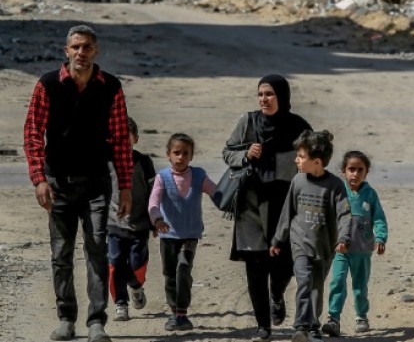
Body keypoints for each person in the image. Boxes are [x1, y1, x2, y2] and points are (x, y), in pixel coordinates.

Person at [23, 24, 133, 342]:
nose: (81, 53)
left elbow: (120, 143)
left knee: (97, 250)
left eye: (87, 47)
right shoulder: (48, 85)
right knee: (61, 254)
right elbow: (32, 134)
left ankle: (96, 321)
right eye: (75, 47)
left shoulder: (110, 87)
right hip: (58, 183)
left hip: (97, 184)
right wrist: (39, 180)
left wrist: (125, 186)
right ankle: (66, 318)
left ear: (96, 51)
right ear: (66, 51)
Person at [223, 74, 312, 342]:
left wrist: (303, 163)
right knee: (255, 265)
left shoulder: (297, 126)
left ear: (282, 97)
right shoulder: (247, 122)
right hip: (251, 204)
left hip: (286, 205)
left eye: (270, 94)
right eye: (261, 94)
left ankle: (277, 294)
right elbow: (228, 152)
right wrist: (245, 154)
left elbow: (316, 154)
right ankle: (263, 325)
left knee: (284, 262)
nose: (264, 99)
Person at [270, 130, 352, 342]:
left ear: (317, 161)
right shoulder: (297, 181)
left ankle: (313, 327)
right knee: (304, 282)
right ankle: (300, 327)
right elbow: (287, 212)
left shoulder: (335, 186)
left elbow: (344, 214)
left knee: (316, 288)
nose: (296, 160)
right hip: (300, 244)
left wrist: (344, 239)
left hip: (324, 248)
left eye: (301, 157)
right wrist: (278, 239)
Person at [148, 133, 217, 332]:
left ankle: (182, 313)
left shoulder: (198, 176)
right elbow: (153, 201)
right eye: (176, 153)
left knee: (183, 269)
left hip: (190, 235)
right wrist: (157, 219)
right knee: (170, 274)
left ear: (191, 156)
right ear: (168, 154)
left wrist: (231, 200)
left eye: (185, 153)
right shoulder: (162, 177)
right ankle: (174, 311)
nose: (181, 157)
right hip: (168, 235)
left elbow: (216, 192)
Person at [322, 151, 387, 337]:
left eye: (360, 170)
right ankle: (333, 318)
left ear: (366, 173)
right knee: (337, 281)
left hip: (363, 250)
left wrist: (381, 238)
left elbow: (380, 218)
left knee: (360, 286)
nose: (355, 174)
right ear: (343, 171)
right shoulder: (338, 191)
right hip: (340, 249)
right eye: (351, 169)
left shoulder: (370, 194)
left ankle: (361, 316)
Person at [107, 117, 156, 322]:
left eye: (126, 139)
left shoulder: (144, 162)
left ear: (135, 138)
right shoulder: (106, 162)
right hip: (113, 222)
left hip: (140, 223)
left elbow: (154, 191)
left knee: (136, 262)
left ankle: (136, 287)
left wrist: (155, 219)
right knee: (116, 262)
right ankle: (121, 303)